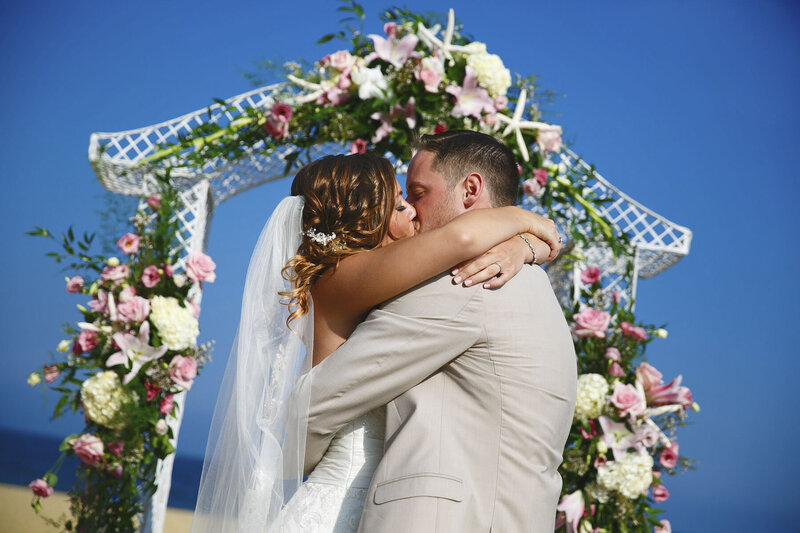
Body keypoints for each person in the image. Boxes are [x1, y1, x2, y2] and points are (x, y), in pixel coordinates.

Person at [191, 148, 561, 533]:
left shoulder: (356, 279)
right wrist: (526, 222)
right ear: (369, 218)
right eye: (401, 205)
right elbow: (464, 235)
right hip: (339, 497)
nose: (414, 212)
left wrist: (525, 246)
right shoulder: (346, 276)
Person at [296, 131, 577, 533]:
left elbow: (310, 412)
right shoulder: (524, 278)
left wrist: (531, 236)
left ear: (471, 191)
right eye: (399, 202)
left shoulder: (466, 282)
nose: (411, 208)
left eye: (417, 192)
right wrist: (533, 231)